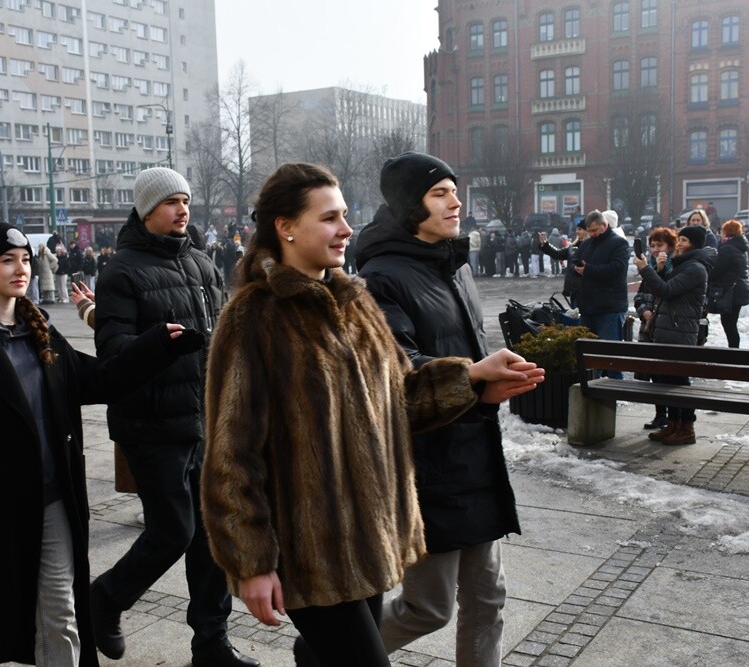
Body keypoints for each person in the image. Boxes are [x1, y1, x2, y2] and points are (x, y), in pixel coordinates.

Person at [202, 162, 543, 667]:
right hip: (308, 553)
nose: (346, 230)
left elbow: (399, 399)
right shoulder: (255, 317)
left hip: (368, 541)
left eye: (344, 216)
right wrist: (251, 562)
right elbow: (231, 455)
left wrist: (471, 384)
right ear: (286, 227)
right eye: (330, 218)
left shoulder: (355, 301)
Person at [0, 223, 204, 667]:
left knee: (61, 612)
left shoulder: (36, 326)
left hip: (51, 502)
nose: (21, 268)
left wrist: (156, 345)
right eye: (7, 259)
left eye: (25, 258)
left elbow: (97, 379)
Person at [353, 152, 541, 667]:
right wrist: (474, 376)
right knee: (428, 608)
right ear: (410, 205)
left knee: (488, 598)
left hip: (474, 455)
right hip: (426, 467)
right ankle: (331, 653)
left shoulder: (454, 266)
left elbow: (467, 359)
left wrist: (487, 385)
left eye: (455, 191)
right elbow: (399, 373)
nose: (456, 201)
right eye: (440, 193)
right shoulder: (380, 277)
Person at [91, 168, 256, 667]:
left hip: (204, 419)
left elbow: (222, 333)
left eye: (185, 201)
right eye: (170, 203)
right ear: (146, 211)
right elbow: (112, 351)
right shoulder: (121, 269)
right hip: (151, 424)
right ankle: (105, 599)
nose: (181, 210)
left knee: (210, 538)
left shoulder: (203, 263)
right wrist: (159, 344)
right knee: (173, 530)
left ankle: (211, 643)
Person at [632, 226, 715, 445]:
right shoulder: (683, 264)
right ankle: (673, 424)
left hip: (680, 332)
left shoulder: (695, 268)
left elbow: (666, 291)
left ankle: (686, 429)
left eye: (684, 240)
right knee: (666, 379)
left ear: (694, 244)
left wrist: (645, 269)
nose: (679, 244)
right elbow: (665, 289)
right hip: (669, 330)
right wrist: (658, 270)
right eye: (680, 239)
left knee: (679, 381)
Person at [633, 227, 677, 429]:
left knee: (669, 373)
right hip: (649, 327)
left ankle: (674, 417)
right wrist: (644, 311)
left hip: (667, 329)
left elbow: (667, 293)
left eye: (660, 245)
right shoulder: (648, 266)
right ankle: (660, 414)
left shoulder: (675, 267)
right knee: (654, 372)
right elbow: (640, 296)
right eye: (652, 245)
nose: (655, 249)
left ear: (670, 246)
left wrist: (659, 271)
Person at [574, 210, 630, 342]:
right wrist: (575, 268)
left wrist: (588, 270)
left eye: (594, 230)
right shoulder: (586, 244)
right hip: (588, 307)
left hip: (610, 308)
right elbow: (577, 260)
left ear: (604, 225)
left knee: (608, 351)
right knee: (586, 350)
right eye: (589, 231)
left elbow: (617, 269)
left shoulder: (619, 243)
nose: (592, 234)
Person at [709, 220, 749, 349]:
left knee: (729, 324)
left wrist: (707, 278)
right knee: (731, 323)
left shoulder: (727, 248)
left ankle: (734, 351)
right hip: (739, 289)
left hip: (732, 291)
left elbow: (717, 269)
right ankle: (734, 349)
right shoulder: (740, 247)